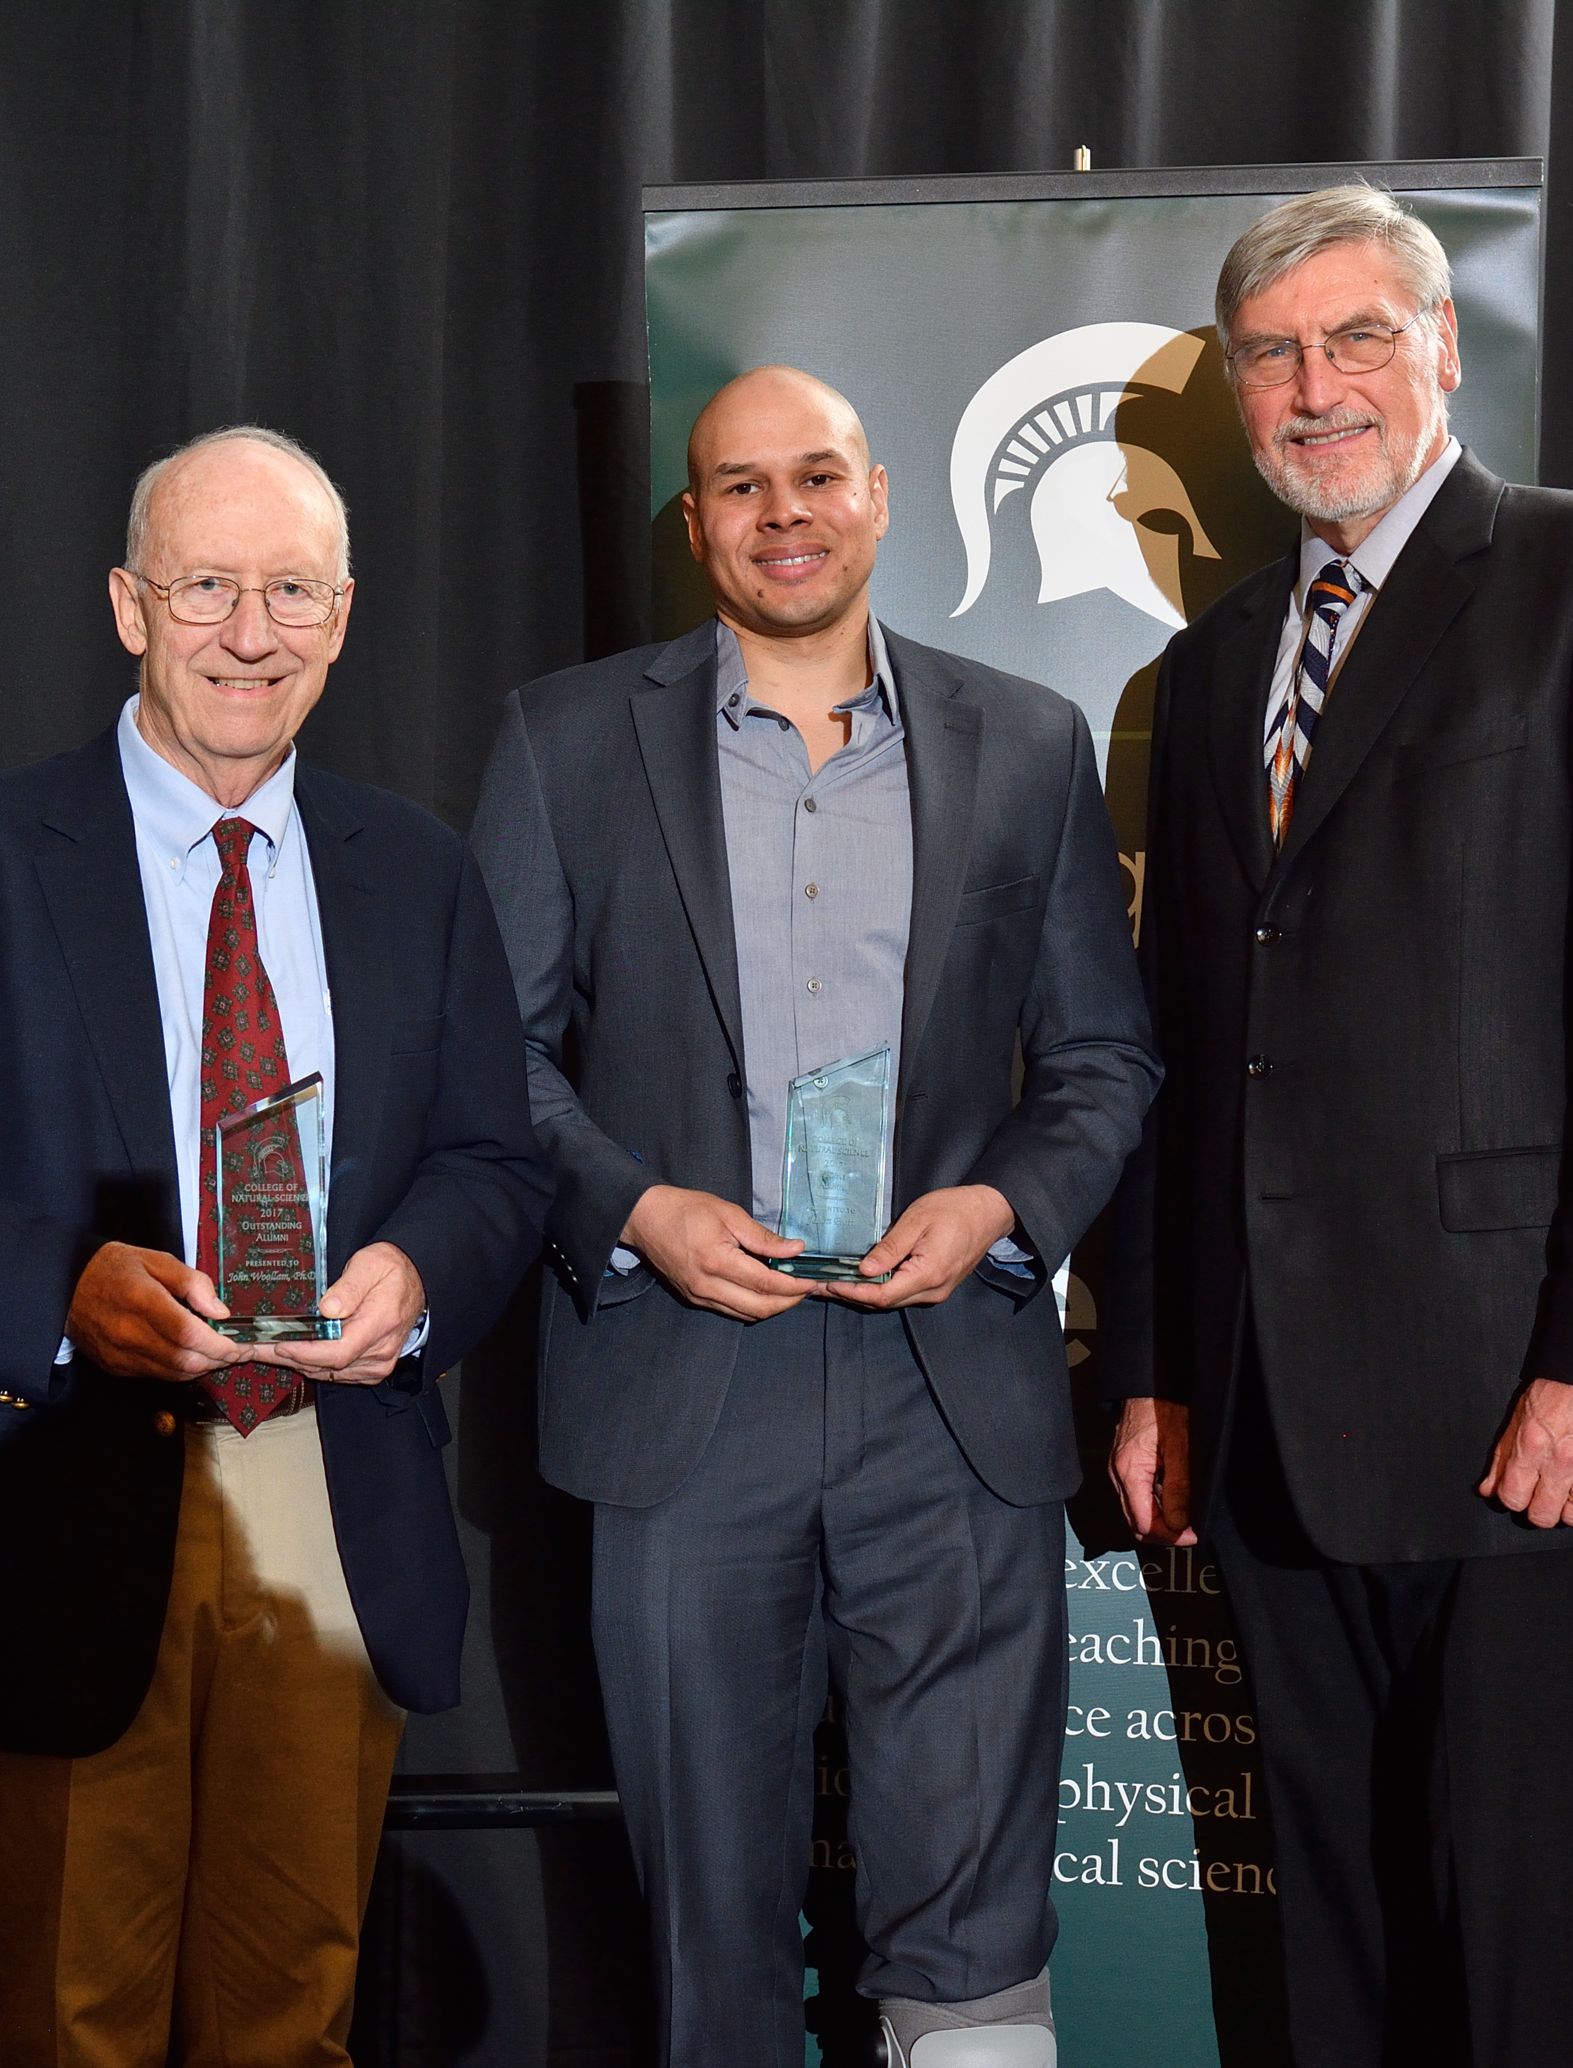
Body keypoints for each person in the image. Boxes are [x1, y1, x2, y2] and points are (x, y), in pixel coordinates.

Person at [1100, 184, 1573, 2067]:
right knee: (1330, 1970)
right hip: (1265, 1430)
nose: (1318, 389)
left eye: (1357, 338)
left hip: (1522, 1423)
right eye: (1275, 356)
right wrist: (1155, 1371)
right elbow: (1185, 1044)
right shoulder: (1219, 665)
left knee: (1548, 1962)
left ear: (1443, 347)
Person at [471, 367, 1159, 2068]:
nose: (783, 514)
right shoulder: (564, 741)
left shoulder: (1026, 737)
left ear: (878, 497)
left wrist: (1005, 1198)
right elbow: (488, 1054)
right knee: (709, 1928)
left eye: (816, 477)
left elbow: (1101, 1055)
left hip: (956, 1394)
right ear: (694, 521)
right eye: (738, 486)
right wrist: (638, 1211)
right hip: (689, 1390)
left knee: (981, 1926)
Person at [0, 425, 549, 2065]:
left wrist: (423, 1274)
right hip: (61, 1488)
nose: (251, 631)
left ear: (346, 612)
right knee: (69, 2019)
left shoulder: (420, 870)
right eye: (209, 587)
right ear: (126, 605)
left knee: (292, 2018)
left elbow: (494, 1161)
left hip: (329, 1488)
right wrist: (58, 1294)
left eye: (291, 590)